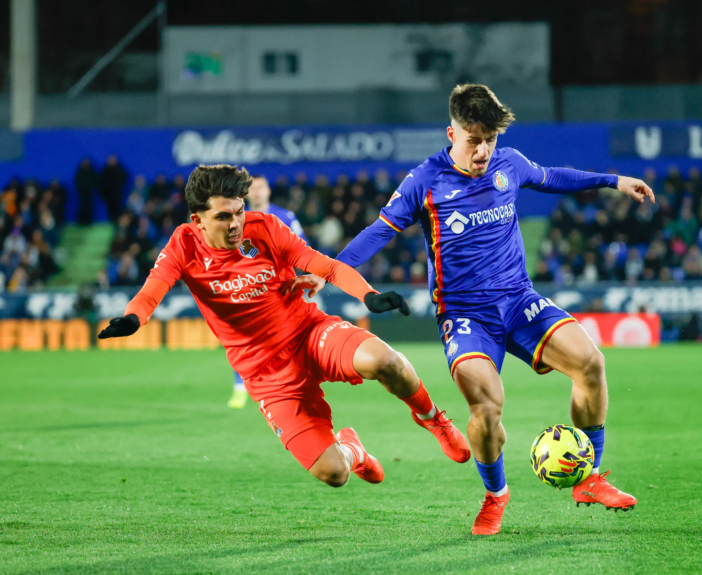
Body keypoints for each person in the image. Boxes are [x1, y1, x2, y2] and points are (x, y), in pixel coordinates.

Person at [336, 84, 650, 535]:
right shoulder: (424, 181)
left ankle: (591, 477)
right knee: (486, 407)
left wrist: (612, 181)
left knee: (590, 363)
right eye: (473, 139)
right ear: (452, 133)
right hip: (465, 315)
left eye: (490, 139)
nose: (483, 150)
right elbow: (378, 232)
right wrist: (328, 270)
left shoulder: (510, 163)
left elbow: (552, 176)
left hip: (519, 299)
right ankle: (495, 496)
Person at [98, 165, 470, 488]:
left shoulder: (265, 228)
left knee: (383, 360)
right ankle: (352, 450)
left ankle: (434, 420)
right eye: (223, 216)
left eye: (239, 212)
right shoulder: (183, 246)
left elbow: (323, 265)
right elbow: (151, 291)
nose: (235, 224)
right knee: (333, 473)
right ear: (197, 220)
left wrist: (367, 295)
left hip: (307, 334)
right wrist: (133, 319)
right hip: (265, 373)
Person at [227, 174, 310, 409]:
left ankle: (288, 386)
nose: (256, 192)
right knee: (242, 337)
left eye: (261, 187)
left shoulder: (285, 217)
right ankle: (239, 388)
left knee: (287, 339)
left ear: (268, 191)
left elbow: (300, 247)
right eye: (252, 188)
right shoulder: (236, 218)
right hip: (247, 286)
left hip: (281, 287)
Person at [99, 155, 128, 223]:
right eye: (110, 160)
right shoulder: (104, 171)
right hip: (108, 195)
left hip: (117, 195)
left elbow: (124, 179)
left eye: (113, 160)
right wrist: (103, 193)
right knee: (110, 210)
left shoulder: (120, 170)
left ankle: (117, 223)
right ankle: (111, 222)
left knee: (117, 209)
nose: (111, 162)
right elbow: (101, 183)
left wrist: (118, 188)